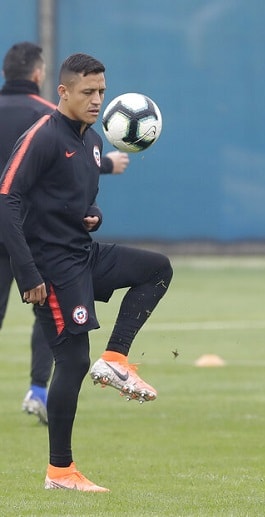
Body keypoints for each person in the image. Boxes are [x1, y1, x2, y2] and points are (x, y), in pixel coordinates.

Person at [0, 52, 172, 491]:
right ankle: (60, 472)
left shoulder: (92, 140)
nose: (97, 100)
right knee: (73, 361)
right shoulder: (42, 135)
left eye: (101, 91)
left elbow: (73, 199)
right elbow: (7, 200)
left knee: (157, 269)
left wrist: (90, 213)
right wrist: (28, 273)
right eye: (87, 92)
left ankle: (115, 359)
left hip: (83, 253)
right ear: (63, 92)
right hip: (52, 269)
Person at [0, 42, 130, 426]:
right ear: (40, 76)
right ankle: (38, 389)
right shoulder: (47, 118)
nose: (95, 99)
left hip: (14, 229)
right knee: (49, 319)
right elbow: (67, 164)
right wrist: (106, 164)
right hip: (35, 236)